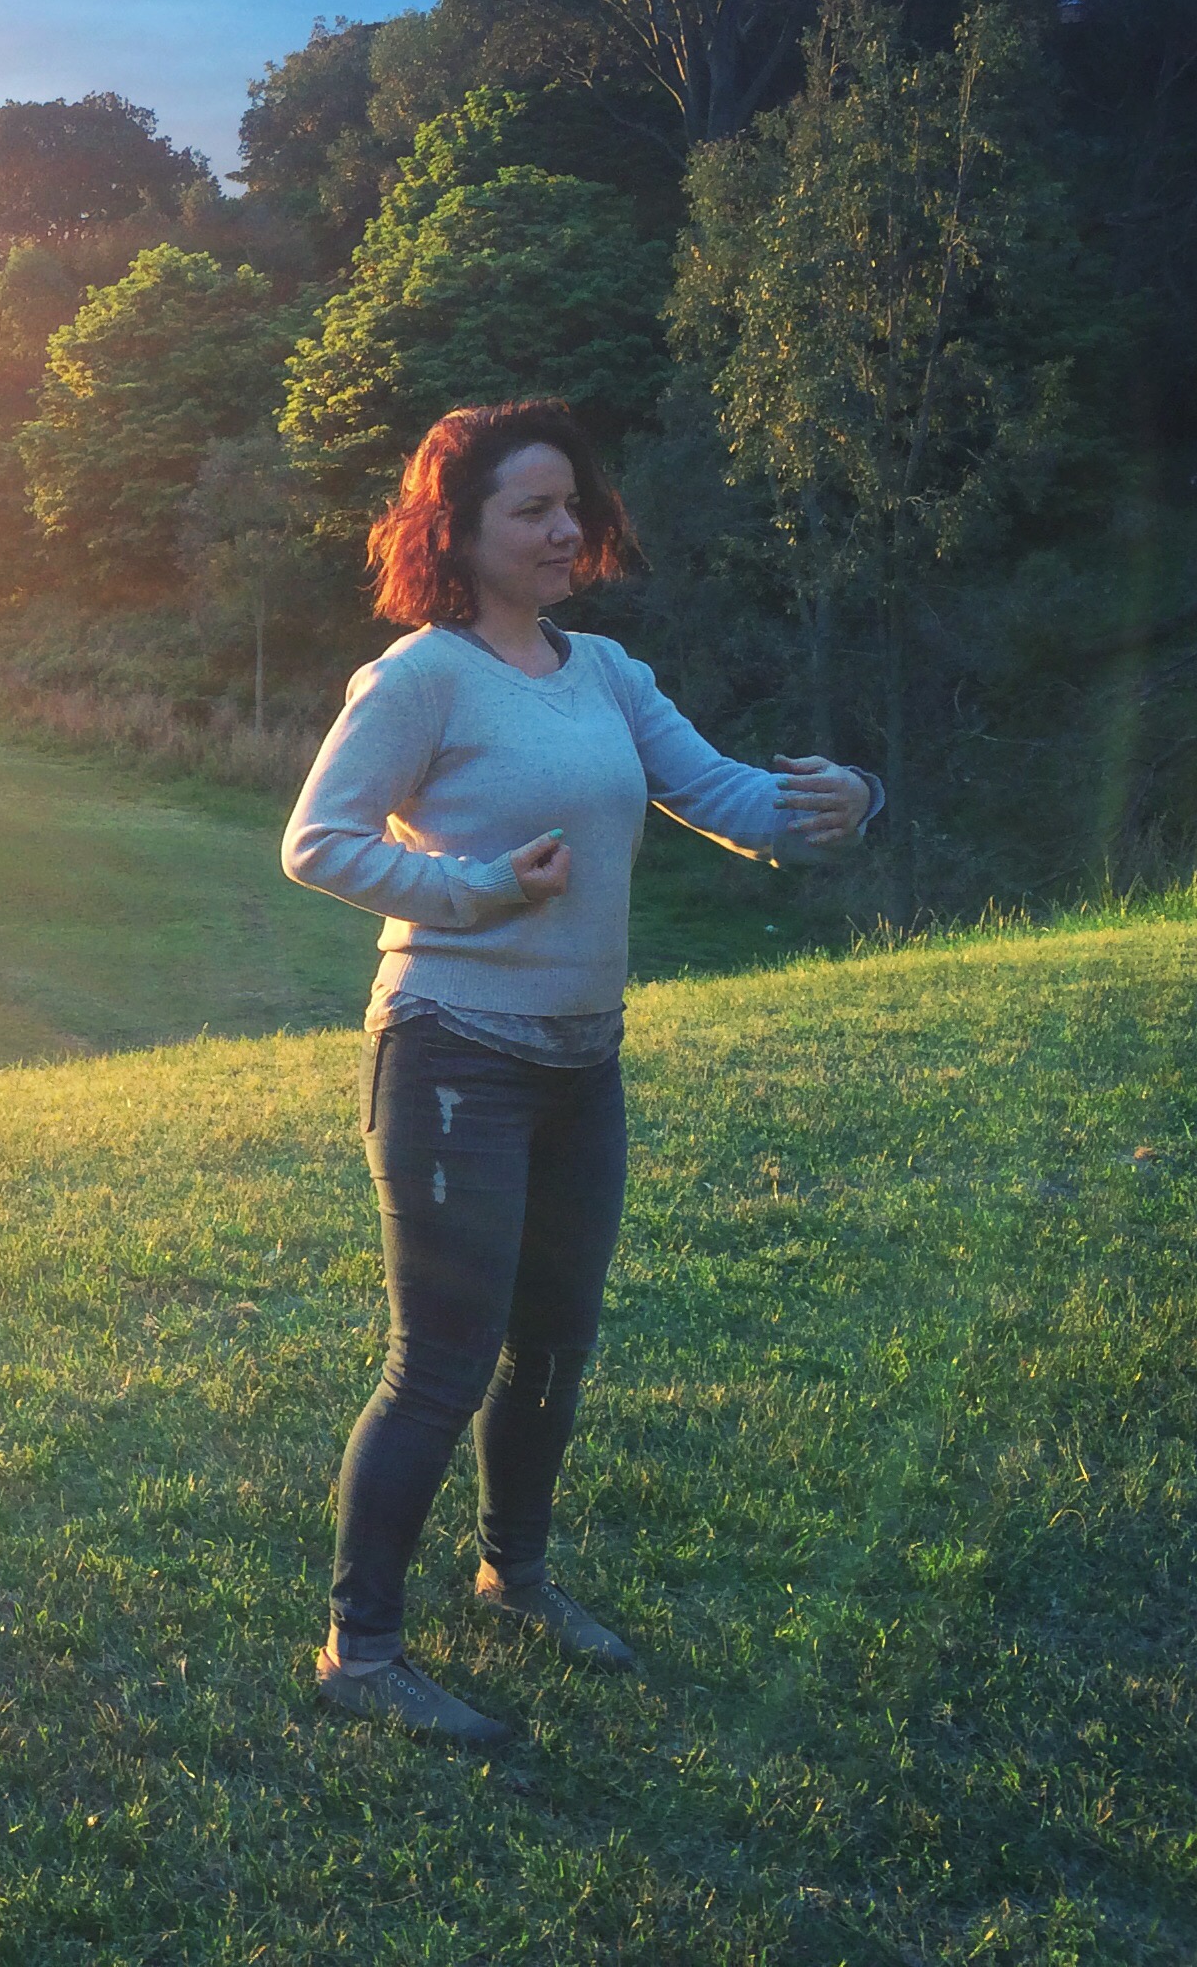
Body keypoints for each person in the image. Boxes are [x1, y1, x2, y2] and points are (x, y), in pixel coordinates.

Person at [279, 398, 877, 1744]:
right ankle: (360, 1653)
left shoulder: (607, 673)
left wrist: (844, 805)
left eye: (573, 506)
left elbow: (731, 800)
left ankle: (514, 1576)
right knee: (440, 1362)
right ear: (461, 531)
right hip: (450, 1053)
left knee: (552, 1345)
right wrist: (477, 888)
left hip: (579, 1062)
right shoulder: (420, 678)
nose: (567, 531)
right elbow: (315, 844)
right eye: (533, 511)